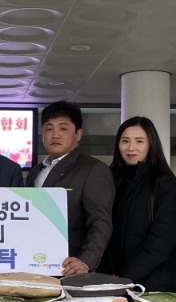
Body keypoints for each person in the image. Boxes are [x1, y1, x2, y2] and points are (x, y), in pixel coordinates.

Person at [26, 100, 114, 277]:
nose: (55, 135)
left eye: (63, 128)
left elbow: (100, 222)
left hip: (70, 269)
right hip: (33, 265)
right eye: (49, 129)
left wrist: (86, 261)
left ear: (78, 134)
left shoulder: (93, 169)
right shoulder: (36, 171)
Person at [98, 117, 176, 291]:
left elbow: (160, 242)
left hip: (150, 287)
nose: (131, 147)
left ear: (151, 144)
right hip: (110, 282)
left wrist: (125, 279)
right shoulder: (108, 179)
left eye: (139, 141)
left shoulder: (164, 183)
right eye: (125, 141)